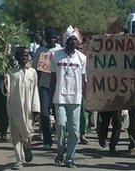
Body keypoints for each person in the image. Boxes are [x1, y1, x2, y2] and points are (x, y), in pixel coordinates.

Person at [50, 26, 86, 168]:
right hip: (59, 97)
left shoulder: (82, 58)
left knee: (74, 131)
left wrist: (84, 97)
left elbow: (83, 79)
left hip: (76, 99)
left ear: (77, 43)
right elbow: (53, 78)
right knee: (60, 125)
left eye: (75, 41)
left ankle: (70, 158)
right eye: (70, 40)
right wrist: (50, 100)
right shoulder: (55, 56)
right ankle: (60, 150)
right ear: (65, 41)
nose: (72, 43)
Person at [5, 46, 40, 170]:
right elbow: (6, 90)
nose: (24, 58)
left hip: (29, 109)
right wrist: (4, 84)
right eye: (21, 55)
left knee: (27, 132)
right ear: (17, 57)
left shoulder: (33, 72)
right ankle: (19, 160)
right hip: (15, 108)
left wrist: (36, 109)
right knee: (15, 136)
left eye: (26, 55)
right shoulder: (10, 71)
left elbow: (35, 90)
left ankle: (27, 146)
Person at [33, 27, 62, 150]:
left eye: (53, 38)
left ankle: (60, 139)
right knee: (44, 114)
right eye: (48, 38)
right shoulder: (40, 51)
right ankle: (47, 140)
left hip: (58, 86)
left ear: (56, 39)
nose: (51, 40)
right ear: (45, 39)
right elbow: (35, 70)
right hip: (44, 86)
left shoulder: (61, 50)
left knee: (58, 115)